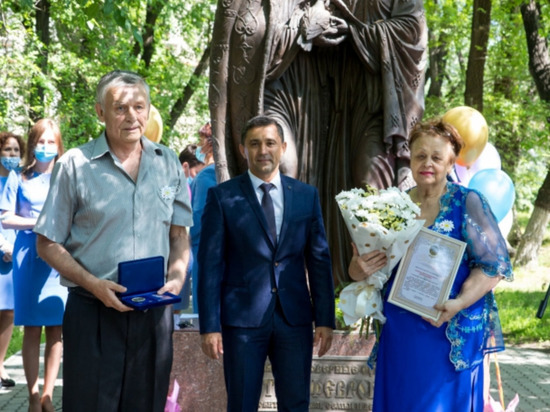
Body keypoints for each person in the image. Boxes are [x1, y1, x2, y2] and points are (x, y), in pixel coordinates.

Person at [209, 0, 427, 283]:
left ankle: (374, 292)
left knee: (371, 187)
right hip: (289, 85)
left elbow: (412, 31)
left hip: (366, 93)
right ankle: (278, 283)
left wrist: (354, 31)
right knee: (283, 170)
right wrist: (302, 26)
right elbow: (247, 33)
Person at [34, 70, 193, 412]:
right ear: (99, 112)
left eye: (139, 106)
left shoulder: (169, 165)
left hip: (153, 313)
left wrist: (177, 278)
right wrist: (93, 284)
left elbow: (179, 236)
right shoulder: (75, 165)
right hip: (93, 312)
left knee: (148, 403)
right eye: (120, 107)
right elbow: (46, 243)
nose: (132, 116)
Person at [348, 119, 513, 411]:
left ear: (451, 162)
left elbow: (493, 265)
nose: (428, 163)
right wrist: (358, 269)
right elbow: (362, 267)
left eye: (437, 157)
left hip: (449, 326)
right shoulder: (390, 204)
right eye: (420, 155)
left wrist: (459, 302)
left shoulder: (468, 202)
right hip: (400, 328)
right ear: (410, 158)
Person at [198, 115, 335, 411]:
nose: (263, 150)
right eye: (255, 143)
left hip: (294, 319)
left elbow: (319, 259)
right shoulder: (222, 197)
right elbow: (209, 265)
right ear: (243, 149)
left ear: (283, 148)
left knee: (296, 403)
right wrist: (209, 325)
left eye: (270, 143)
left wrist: (325, 318)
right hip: (242, 322)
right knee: (242, 402)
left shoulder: (306, 196)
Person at [0, 120, 67, 412]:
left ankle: (48, 396)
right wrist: (37, 223)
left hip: (59, 258)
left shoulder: (67, 177)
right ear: (33, 144)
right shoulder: (19, 177)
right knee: (31, 328)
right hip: (28, 257)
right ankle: (31, 393)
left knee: (56, 330)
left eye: (51, 142)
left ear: (59, 146)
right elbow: (5, 217)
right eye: (40, 142)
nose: (46, 148)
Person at [0, 131, 25, 389]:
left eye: (16, 151)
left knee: (8, 311)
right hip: (1, 248)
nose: (12, 155)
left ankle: (1, 363)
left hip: (13, 258)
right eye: (8, 150)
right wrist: (2, 244)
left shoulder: (20, 181)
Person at [174, 144, 205, 318]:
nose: (198, 178)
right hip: (178, 253)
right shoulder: (179, 187)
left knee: (177, 308)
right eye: (197, 173)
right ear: (185, 166)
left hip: (185, 254)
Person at [189, 124, 216, 313]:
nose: (198, 146)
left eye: (201, 140)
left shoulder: (206, 175)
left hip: (205, 253)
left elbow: (198, 220)